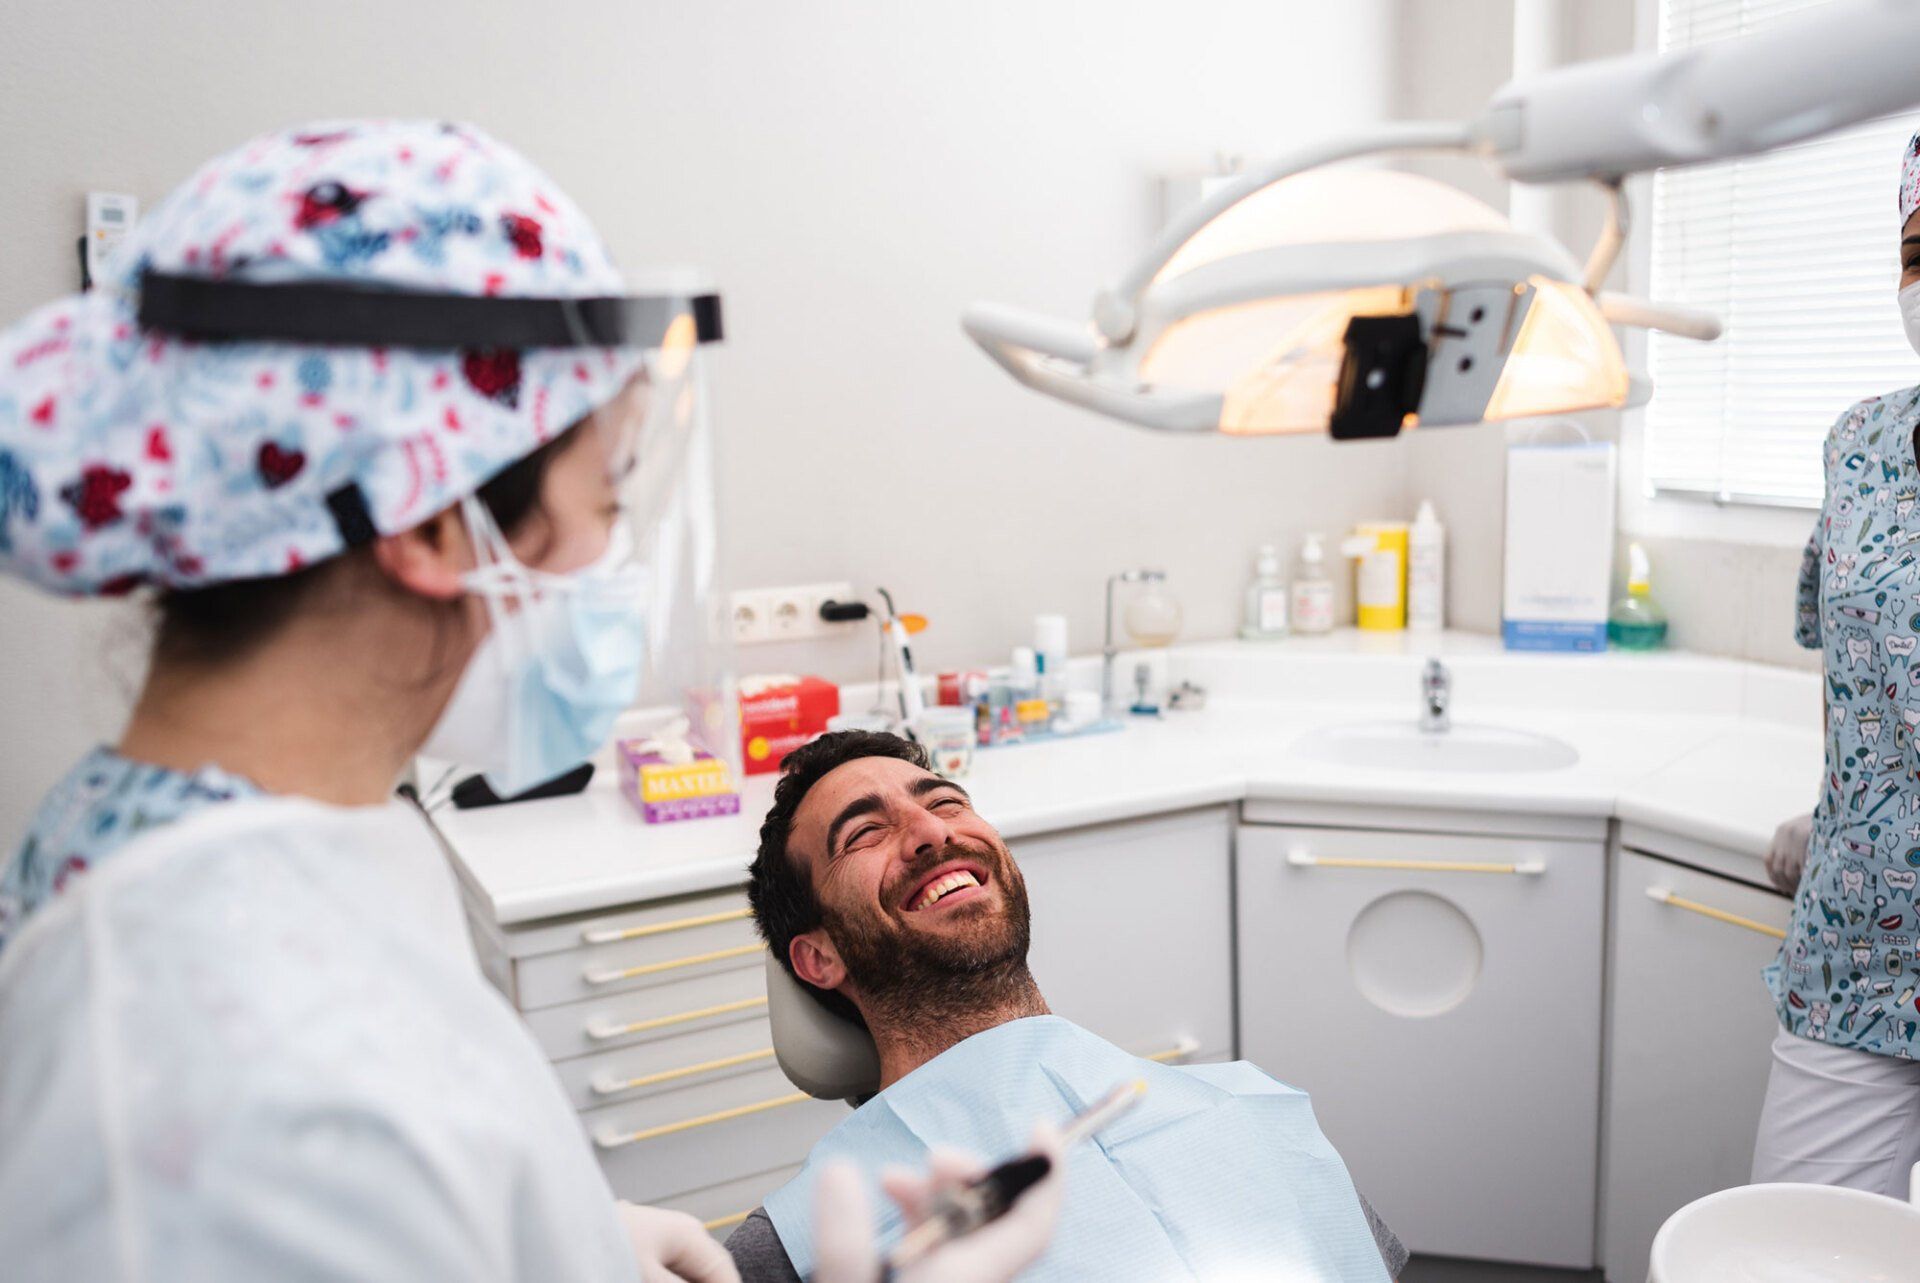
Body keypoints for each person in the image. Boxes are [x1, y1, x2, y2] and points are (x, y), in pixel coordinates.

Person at [0, 121, 1058, 1283]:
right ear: (432, 523)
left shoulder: (240, 837)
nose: (614, 552)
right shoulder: (227, 1059)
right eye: (606, 498)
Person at [729, 729, 1409, 1282]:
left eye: (946, 802)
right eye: (864, 833)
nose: (930, 831)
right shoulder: (802, 1248)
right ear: (819, 957)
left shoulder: (1253, 1107)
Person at [1750, 130, 1920, 1198]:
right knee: (1786, 1245)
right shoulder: (1859, 442)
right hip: (1857, 945)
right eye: (1917, 252)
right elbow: (1847, 652)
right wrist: (1834, 811)